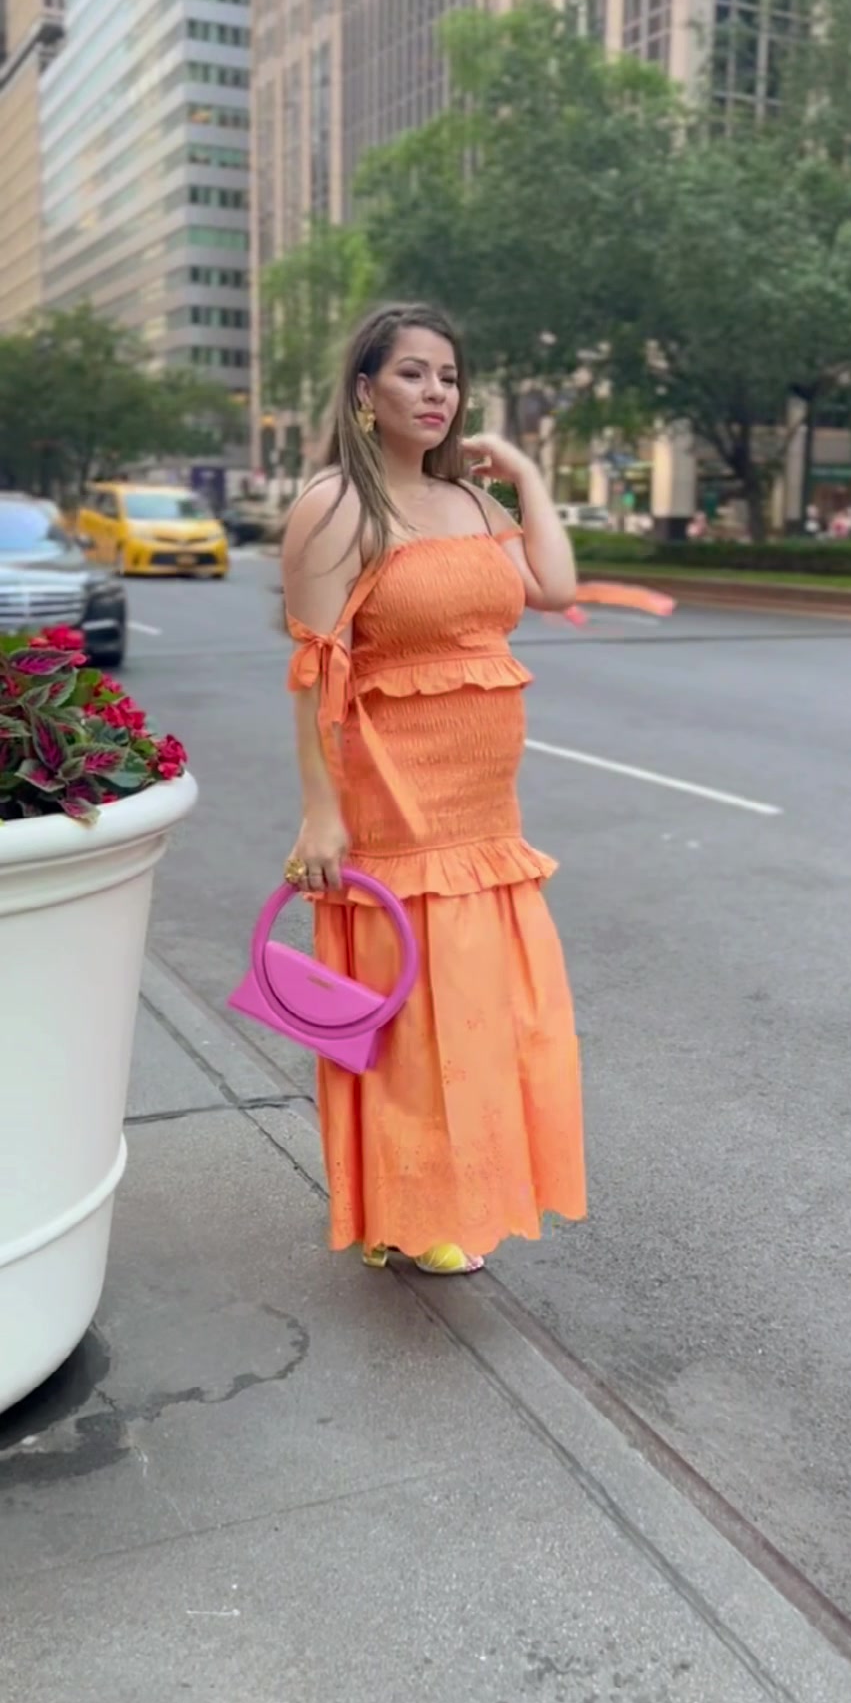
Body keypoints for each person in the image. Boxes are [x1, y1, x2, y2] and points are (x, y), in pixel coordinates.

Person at [280, 303, 587, 1276]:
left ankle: (439, 1195)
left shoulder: (474, 505)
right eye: (412, 373)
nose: (436, 393)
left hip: (486, 807)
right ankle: (404, 1208)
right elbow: (314, 673)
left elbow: (555, 587)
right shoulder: (336, 506)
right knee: (411, 1016)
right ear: (364, 391)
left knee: (481, 1015)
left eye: (449, 377)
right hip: (394, 799)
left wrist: (527, 473)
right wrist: (320, 812)